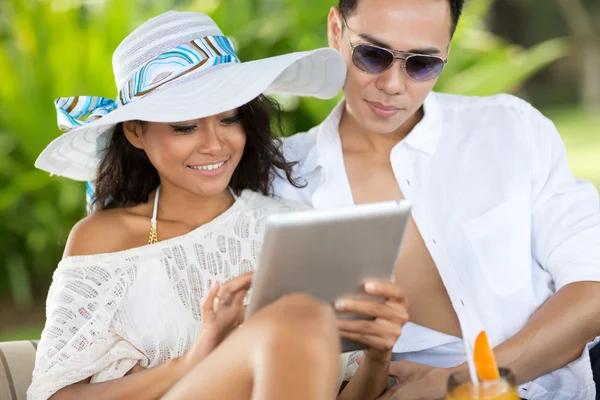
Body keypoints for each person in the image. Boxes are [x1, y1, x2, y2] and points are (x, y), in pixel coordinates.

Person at [28, 11, 409, 400]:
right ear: (135, 131)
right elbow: (53, 396)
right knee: (287, 321)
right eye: (185, 126)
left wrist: (379, 355)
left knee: (297, 320)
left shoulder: (290, 228)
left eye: (229, 119)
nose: (215, 144)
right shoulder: (103, 238)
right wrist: (194, 360)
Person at [272, 0, 600, 399]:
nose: (393, 84)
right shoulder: (284, 181)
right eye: (373, 55)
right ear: (336, 31)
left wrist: (461, 382)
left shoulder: (510, 130)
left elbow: (592, 286)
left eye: (422, 63)